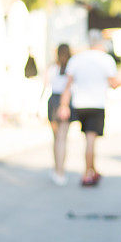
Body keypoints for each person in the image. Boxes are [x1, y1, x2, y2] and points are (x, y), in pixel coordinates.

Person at [56, 30, 121, 187]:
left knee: (86, 139)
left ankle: (92, 169)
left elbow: (68, 85)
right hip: (96, 104)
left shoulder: (77, 59)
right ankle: (87, 173)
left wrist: (63, 105)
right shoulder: (106, 59)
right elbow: (114, 83)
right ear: (100, 43)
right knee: (91, 140)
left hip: (79, 104)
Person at [44, 43, 73, 186]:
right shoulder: (71, 69)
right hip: (65, 101)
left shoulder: (52, 68)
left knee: (56, 139)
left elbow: (45, 86)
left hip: (53, 101)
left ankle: (57, 169)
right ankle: (60, 171)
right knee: (62, 139)